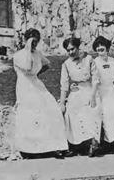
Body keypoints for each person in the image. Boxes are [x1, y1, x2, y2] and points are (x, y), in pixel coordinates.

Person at [12, 28, 68, 159]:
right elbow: (27, 66)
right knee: (30, 114)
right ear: (26, 40)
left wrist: (36, 74)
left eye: (36, 42)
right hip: (25, 86)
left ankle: (51, 146)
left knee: (51, 108)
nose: (33, 44)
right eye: (32, 41)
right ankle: (29, 148)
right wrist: (27, 49)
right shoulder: (19, 55)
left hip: (36, 84)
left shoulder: (37, 53)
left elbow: (47, 65)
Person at [59, 37, 100, 156]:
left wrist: (92, 96)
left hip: (89, 90)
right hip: (76, 92)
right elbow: (64, 85)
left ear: (78, 47)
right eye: (68, 50)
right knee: (70, 111)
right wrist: (62, 103)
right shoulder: (66, 64)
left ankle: (93, 142)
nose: (71, 52)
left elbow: (96, 79)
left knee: (90, 109)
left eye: (73, 49)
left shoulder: (88, 59)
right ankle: (76, 144)